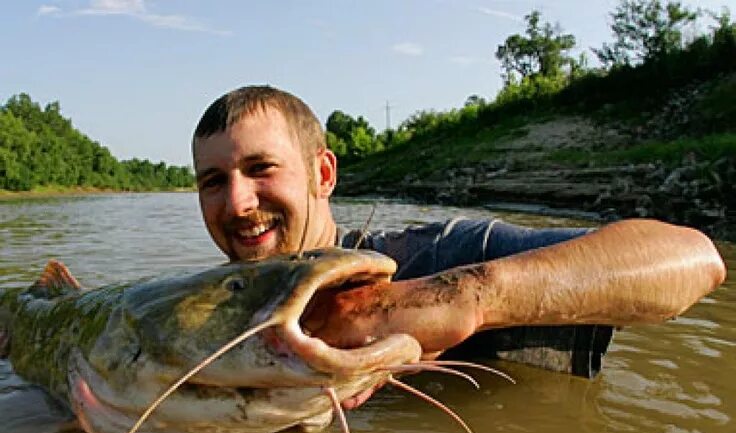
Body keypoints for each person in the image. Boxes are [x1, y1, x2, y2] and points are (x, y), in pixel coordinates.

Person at [192, 85, 727, 405]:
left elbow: (694, 259)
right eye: (213, 181)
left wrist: (458, 300)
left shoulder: (441, 255)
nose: (237, 203)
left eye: (260, 169)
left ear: (323, 173)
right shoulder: (210, 318)